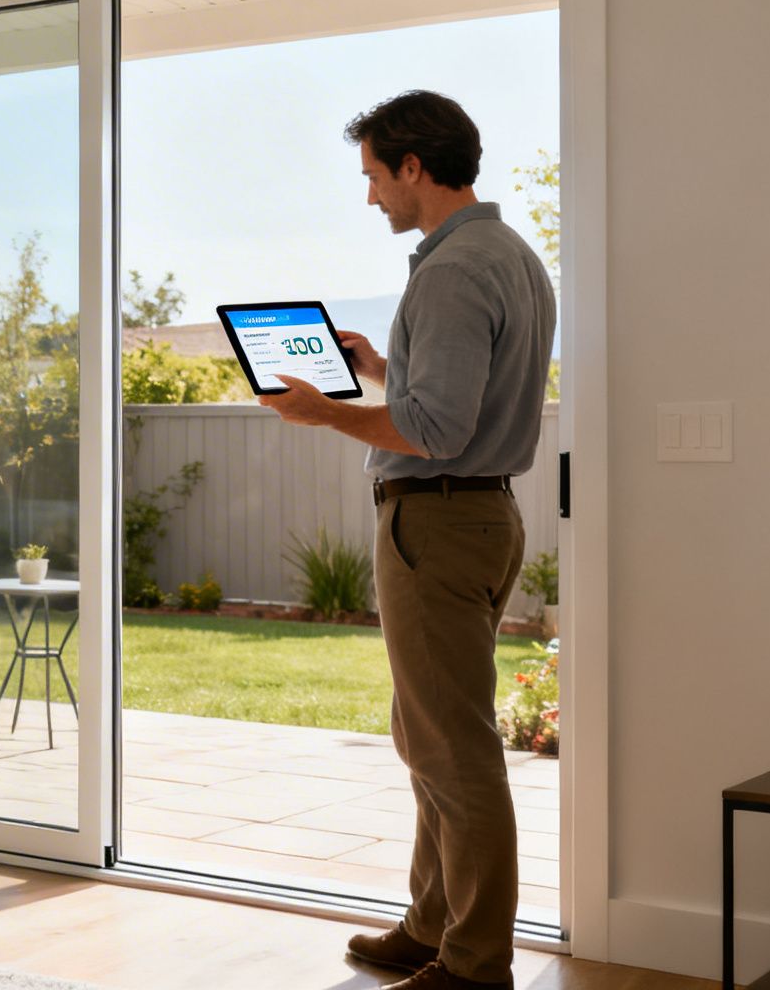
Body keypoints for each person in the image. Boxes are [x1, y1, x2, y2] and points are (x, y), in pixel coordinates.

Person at [257, 90, 554, 990]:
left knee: (454, 750)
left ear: (415, 168)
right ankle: (433, 924)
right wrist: (385, 368)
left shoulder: (454, 270)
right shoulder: (509, 255)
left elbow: (437, 430)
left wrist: (323, 413)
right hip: (482, 515)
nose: (373, 197)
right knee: (430, 734)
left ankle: (472, 964)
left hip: (439, 518)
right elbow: (466, 393)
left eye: (376, 177)